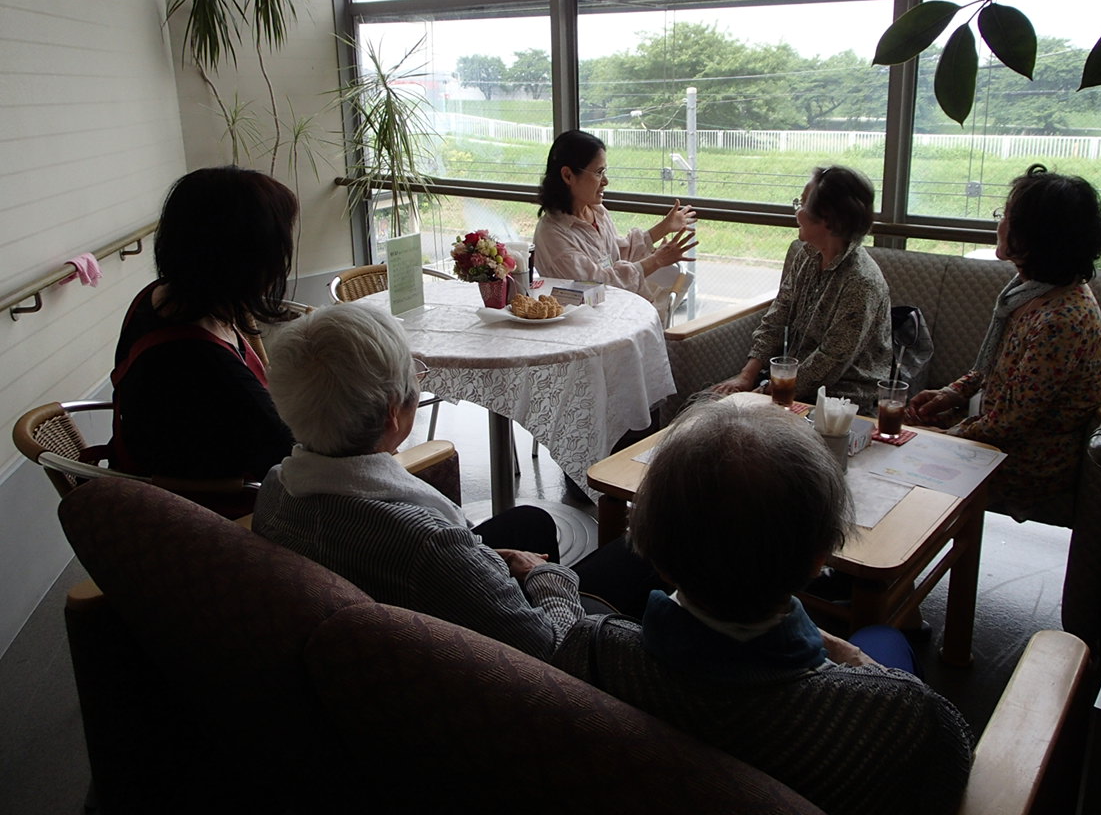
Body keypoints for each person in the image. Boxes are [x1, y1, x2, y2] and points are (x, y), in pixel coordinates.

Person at [553, 399, 972, 815]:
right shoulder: (906, 718)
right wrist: (861, 661)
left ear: (656, 557)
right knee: (883, 636)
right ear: (819, 559)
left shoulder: (591, 652)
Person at [253, 301, 662, 661]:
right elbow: (555, 651)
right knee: (641, 549)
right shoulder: (429, 545)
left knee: (531, 522)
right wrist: (547, 578)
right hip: (498, 680)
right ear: (395, 414)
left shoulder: (276, 488)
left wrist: (480, 559)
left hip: (378, 634)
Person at [905, 163, 1101, 525]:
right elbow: (993, 370)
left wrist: (940, 436)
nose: (1000, 224)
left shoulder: (1061, 320)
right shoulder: (1031, 292)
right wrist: (950, 395)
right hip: (1000, 433)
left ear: (1038, 237)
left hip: (1028, 462)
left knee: (893, 455)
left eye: (1008, 216)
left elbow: (1009, 424)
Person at [109, 166, 296, 511]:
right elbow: (296, 456)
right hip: (215, 513)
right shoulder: (202, 361)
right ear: (246, 259)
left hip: (163, 483)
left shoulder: (158, 297)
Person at [712, 165, 891, 410]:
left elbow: (828, 361)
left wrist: (764, 392)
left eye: (803, 204)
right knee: (704, 406)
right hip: (787, 384)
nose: (797, 212)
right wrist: (747, 376)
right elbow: (778, 317)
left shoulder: (861, 283)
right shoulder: (807, 255)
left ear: (828, 219)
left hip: (840, 402)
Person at [531, 130, 697, 301]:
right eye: (598, 172)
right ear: (568, 175)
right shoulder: (552, 234)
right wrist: (656, 261)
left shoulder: (597, 211)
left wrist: (663, 228)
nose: (605, 181)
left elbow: (617, 255)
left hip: (615, 309)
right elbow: (598, 284)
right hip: (586, 321)